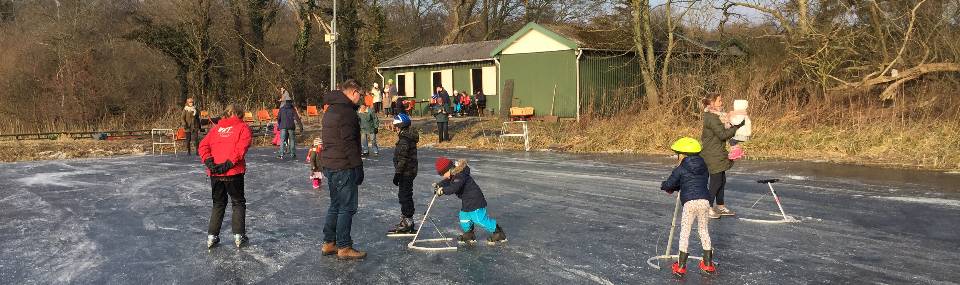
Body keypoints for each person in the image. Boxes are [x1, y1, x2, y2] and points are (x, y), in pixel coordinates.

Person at [319, 79, 366, 260]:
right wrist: (357, 166)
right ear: (353, 92)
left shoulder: (331, 109)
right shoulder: (346, 112)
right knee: (347, 207)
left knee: (335, 205)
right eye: (360, 95)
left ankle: (329, 242)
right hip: (343, 165)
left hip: (330, 163)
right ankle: (344, 246)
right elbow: (349, 143)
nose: (360, 98)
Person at [660, 137, 716, 277]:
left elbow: (671, 183)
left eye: (678, 154)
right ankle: (708, 264)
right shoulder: (704, 167)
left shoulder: (681, 168)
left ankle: (681, 266)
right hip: (704, 201)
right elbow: (695, 181)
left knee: (685, 232)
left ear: (683, 154)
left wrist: (665, 186)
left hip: (690, 203)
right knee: (703, 230)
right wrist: (680, 186)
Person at [199, 104, 253, 249]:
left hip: (216, 173)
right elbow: (241, 148)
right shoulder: (243, 128)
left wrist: (209, 162)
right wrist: (228, 164)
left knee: (218, 203)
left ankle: (212, 236)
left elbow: (203, 146)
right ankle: (239, 235)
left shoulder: (215, 129)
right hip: (233, 172)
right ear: (240, 115)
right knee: (237, 202)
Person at [433, 156, 507, 245]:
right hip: (467, 200)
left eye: (443, 174)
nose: (443, 176)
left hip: (475, 199)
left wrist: (443, 190)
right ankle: (469, 234)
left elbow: (454, 188)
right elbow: (447, 182)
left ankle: (498, 232)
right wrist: (439, 185)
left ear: (448, 169)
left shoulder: (460, 175)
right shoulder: (453, 174)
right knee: (464, 217)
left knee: (479, 219)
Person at [700, 93, 745, 219]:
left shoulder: (718, 116)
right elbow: (722, 135)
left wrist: (736, 121)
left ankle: (720, 206)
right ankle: (707, 208)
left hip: (718, 152)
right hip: (712, 154)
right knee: (716, 182)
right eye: (719, 101)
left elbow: (725, 125)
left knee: (721, 180)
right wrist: (736, 127)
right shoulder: (711, 118)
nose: (721, 102)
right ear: (712, 103)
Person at [388, 113, 418, 235]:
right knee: (406, 195)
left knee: (404, 196)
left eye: (395, 126)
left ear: (399, 126)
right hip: (409, 171)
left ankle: (407, 222)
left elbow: (403, 158)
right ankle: (407, 220)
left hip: (406, 172)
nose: (394, 128)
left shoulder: (404, 140)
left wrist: (398, 174)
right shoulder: (406, 137)